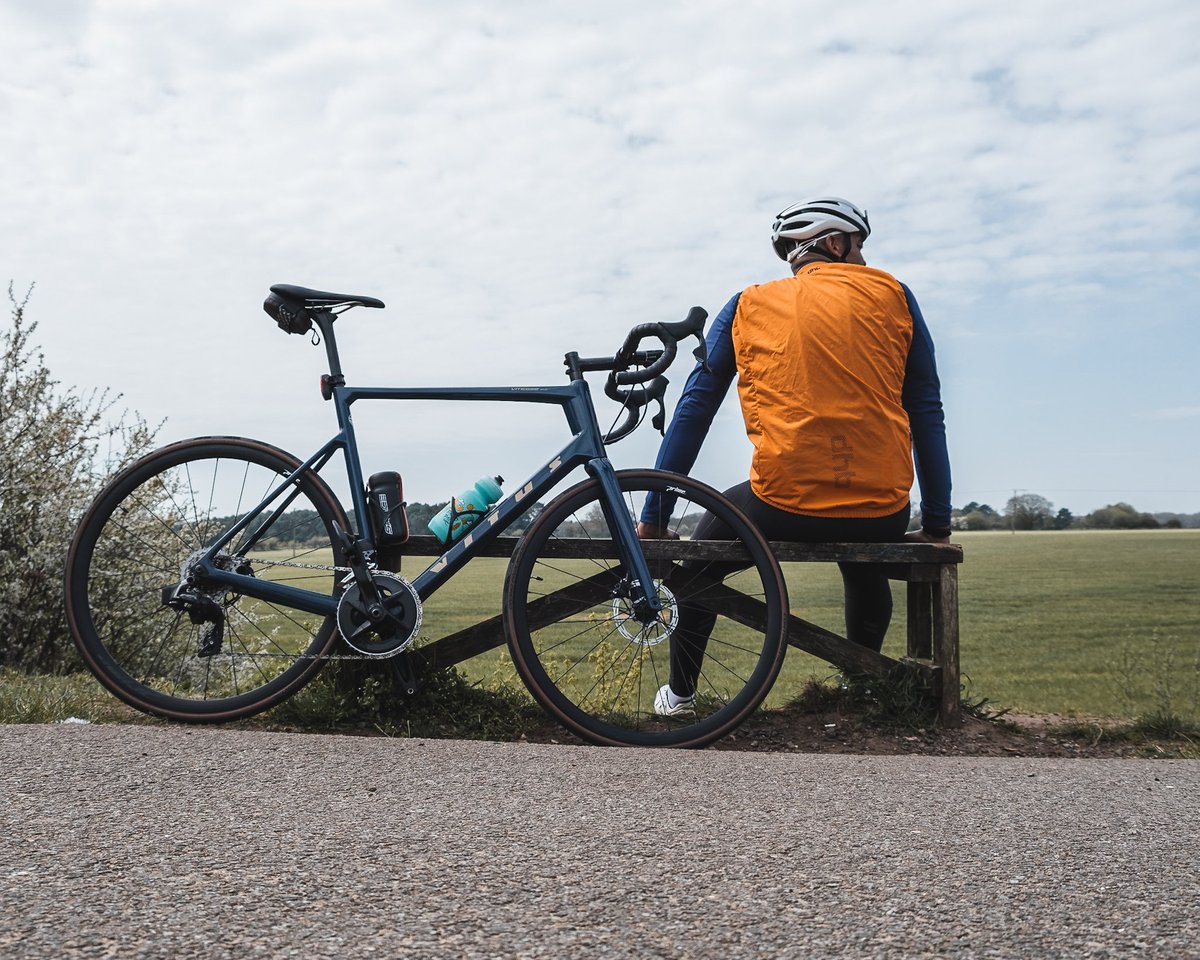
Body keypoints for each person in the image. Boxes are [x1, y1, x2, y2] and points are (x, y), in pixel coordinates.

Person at [637, 196, 952, 716]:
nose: (865, 262)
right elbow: (927, 408)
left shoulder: (749, 303)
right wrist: (937, 524)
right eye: (861, 247)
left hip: (782, 501)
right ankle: (866, 689)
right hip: (883, 507)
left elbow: (695, 408)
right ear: (835, 242)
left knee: (698, 558)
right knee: (864, 556)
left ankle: (681, 697)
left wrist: (654, 516)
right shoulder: (896, 294)